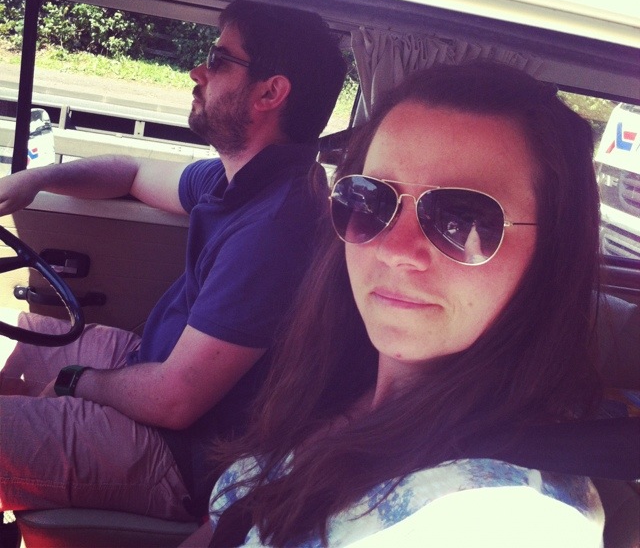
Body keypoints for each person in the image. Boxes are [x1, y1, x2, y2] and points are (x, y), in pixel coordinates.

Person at [204, 62, 614, 547]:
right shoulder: (330, 381)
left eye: (462, 219)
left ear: (553, 253)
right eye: (370, 200)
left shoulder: (505, 515)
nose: (394, 250)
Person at [0, 0, 347, 521]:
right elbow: (133, 171)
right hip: (148, 364)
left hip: (176, 450)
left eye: (219, 60)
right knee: (14, 342)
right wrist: (36, 179)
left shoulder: (277, 226)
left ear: (270, 93)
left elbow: (176, 399)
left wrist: (78, 380)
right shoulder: (239, 179)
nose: (197, 72)